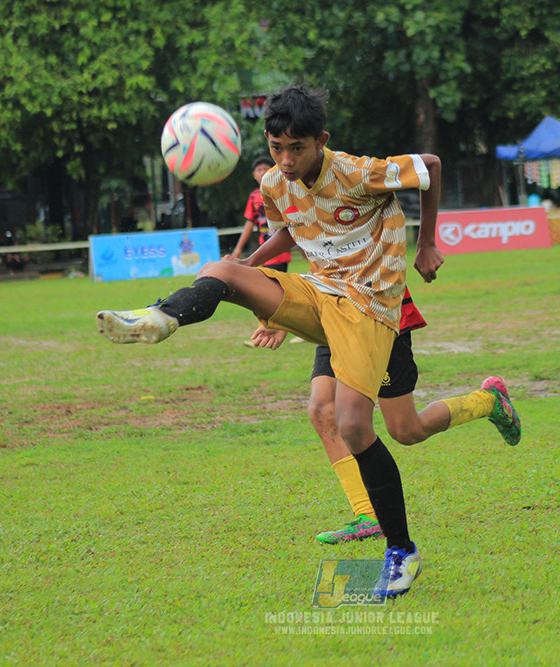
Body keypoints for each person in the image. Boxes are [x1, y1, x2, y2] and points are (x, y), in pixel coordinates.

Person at [96, 84, 493, 599]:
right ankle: (160, 317)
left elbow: (432, 165)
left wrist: (427, 242)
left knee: (365, 425)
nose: (285, 160)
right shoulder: (274, 186)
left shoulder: (355, 170)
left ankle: (401, 550)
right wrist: (250, 272)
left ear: (320, 141)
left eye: (297, 148)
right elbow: (290, 233)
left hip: (371, 306)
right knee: (224, 268)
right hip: (319, 290)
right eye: (276, 147)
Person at [246, 287, 521, 546]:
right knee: (321, 409)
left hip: (381, 314)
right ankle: (368, 515)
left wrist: (425, 244)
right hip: (335, 318)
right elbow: (315, 260)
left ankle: (488, 401)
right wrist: (282, 316)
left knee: (406, 430)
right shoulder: (303, 235)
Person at [232, 156, 302, 347]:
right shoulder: (254, 196)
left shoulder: (281, 190)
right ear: (254, 175)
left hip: (279, 250)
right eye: (259, 170)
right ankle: (276, 327)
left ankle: (276, 327)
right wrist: (239, 249)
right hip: (265, 250)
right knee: (273, 290)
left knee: (272, 291)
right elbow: (249, 223)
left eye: (266, 168)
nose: (262, 172)